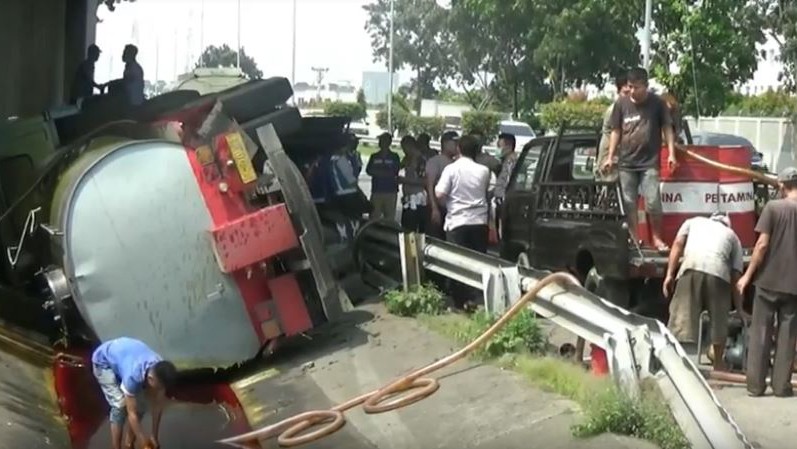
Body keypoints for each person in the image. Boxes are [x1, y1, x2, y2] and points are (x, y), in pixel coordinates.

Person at [601, 67, 678, 251]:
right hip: (627, 163)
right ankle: (635, 239)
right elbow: (616, 131)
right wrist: (611, 157)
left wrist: (672, 154)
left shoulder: (657, 104)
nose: (632, 91)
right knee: (629, 203)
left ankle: (658, 239)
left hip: (649, 162)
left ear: (646, 86)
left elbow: (667, 128)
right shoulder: (621, 104)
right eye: (630, 87)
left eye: (636, 87)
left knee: (653, 201)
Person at [737, 167, 797, 397]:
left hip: (768, 281)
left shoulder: (773, 208)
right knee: (788, 336)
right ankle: (782, 386)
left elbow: (761, 245)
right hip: (793, 286)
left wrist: (747, 275)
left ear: (782, 185)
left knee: (761, 332)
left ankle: (755, 385)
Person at [663, 213, 747, 371]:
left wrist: (669, 275)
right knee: (719, 319)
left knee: (681, 318)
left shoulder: (692, 222)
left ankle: (676, 364)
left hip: (690, 267)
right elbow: (736, 275)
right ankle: (718, 365)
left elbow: (677, 244)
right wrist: (740, 308)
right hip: (718, 273)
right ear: (727, 224)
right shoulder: (733, 236)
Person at [435, 134, 496, 310]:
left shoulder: (451, 169)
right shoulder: (484, 171)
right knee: (477, 261)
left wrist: (446, 205)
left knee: (456, 262)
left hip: (457, 221)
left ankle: (458, 302)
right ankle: (474, 297)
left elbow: (439, 194)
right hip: (479, 221)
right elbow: (488, 192)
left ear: (459, 149)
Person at [92, 337, 177, 449]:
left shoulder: (161, 370)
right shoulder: (133, 376)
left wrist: (154, 436)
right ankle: (116, 447)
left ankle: (129, 442)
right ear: (151, 379)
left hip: (125, 355)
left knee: (141, 406)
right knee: (120, 405)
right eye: (158, 387)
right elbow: (131, 413)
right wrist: (144, 443)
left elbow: (157, 406)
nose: (159, 391)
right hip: (103, 361)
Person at [595, 73, 631, 181]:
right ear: (618, 92)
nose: (629, 96)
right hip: (611, 162)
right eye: (625, 93)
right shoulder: (614, 110)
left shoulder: (629, 110)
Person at [426, 131, 458, 239]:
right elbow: (430, 185)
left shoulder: (456, 163)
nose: (457, 146)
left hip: (451, 209)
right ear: (445, 143)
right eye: (454, 143)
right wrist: (434, 208)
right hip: (438, 207)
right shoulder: (435, 161)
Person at [366, 132, 401, 221]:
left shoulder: (394, 156)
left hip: (391, 191)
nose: (380, 142)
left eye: (383, 140)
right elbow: (369, 170)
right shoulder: (374, 156)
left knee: (389, 218)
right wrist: (385, 172)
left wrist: (378, 172)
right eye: (380, 140)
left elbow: (395, 171)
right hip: (376, 190)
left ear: (389, 142)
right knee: (374, 216)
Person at [398, 135, 428, 232]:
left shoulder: (420, 160)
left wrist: (405, 180)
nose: (403, 151)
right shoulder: (407, 159)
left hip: (417, 199)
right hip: (408, 198)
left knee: (412, 229)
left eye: (404, 148)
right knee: (405, 228)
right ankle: (407, 247)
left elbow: (424, 181)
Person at [493, 133, 518, 240]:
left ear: (508, 145)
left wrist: (504, 197)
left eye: (500, 145)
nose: (498, 149)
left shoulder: (511, 161)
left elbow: (508, 180)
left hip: (505, 199)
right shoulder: (505, 160)